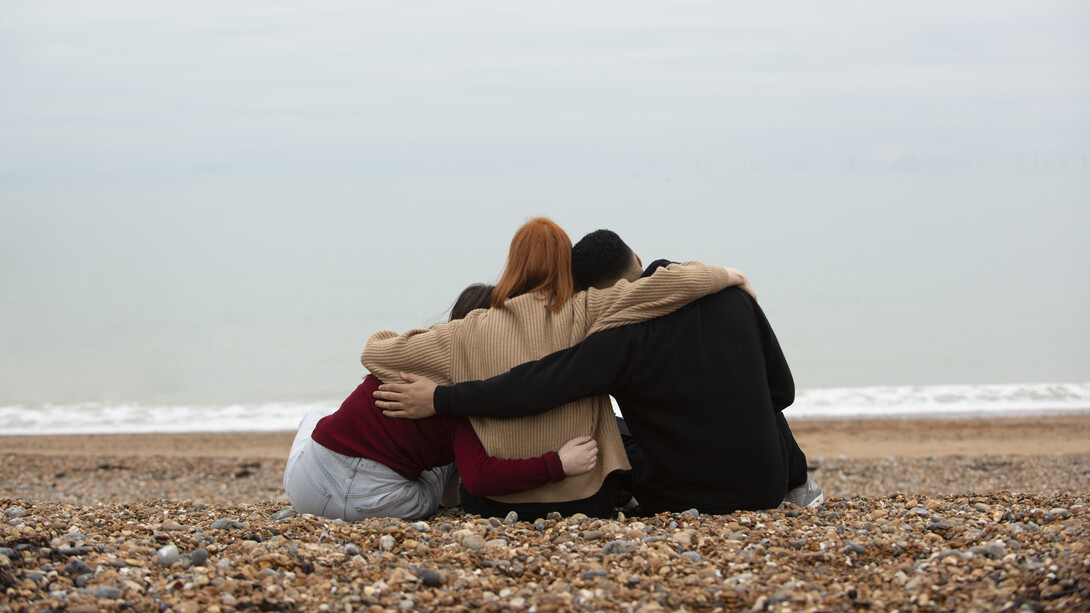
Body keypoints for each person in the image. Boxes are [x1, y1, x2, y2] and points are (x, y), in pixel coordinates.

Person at [375, 229, 822, 515]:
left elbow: (536, 386)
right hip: (767, 484)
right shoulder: (735, 298)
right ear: (638, 259)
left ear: (597, 295)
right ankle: (801, 487)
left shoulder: (618, 337)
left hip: (685, 495)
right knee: (761, 404)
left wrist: (441, 399)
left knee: (616, 432)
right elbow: (781, 391)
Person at [282, 283, 601, 521]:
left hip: (307, 487)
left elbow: (376, 346)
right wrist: (558, 464)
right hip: (380, 502)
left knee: (318, 413)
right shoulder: (472, 395)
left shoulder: (409, 355)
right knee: (458, 455)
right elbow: (480, 477)